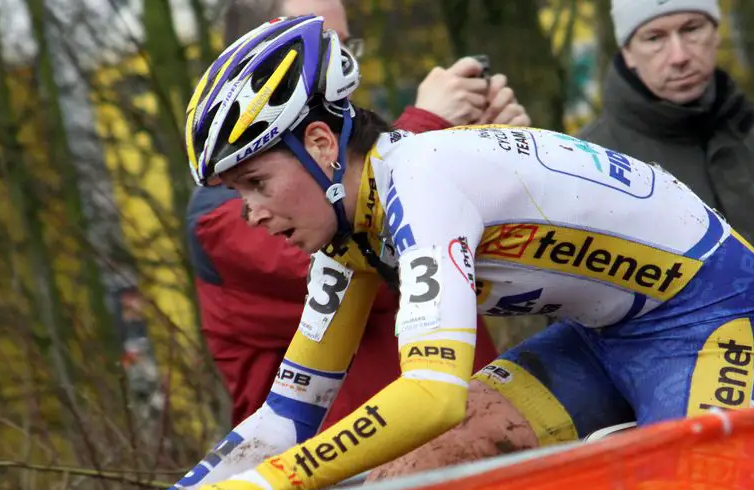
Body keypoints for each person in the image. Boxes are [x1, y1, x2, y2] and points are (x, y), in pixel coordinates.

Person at [130, 15, 754, 490]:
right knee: (401, 487)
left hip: (715, 318)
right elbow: (285, 418)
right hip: (600, 338)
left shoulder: (422, 181)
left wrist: (268, 485)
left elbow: (432, 394)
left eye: (255, 182)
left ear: (319, 143)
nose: (249, 212)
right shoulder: (349, 235)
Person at [187, 0, 523, 429]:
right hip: (350, 471)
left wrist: (494, 157)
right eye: (322, 45)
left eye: (345, 48)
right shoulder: (222, 216)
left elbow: (478, 264)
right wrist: (426, 127)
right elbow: (381, 258)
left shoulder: (357, 166)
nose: (341, 69)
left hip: (472, 432)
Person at [576, 0, 754, 382]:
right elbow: (577, 327)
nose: (680, 56)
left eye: (692, 29)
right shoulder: (591, 165)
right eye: (655, 38)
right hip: (683, 414)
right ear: (627, 54)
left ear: (716, 34)